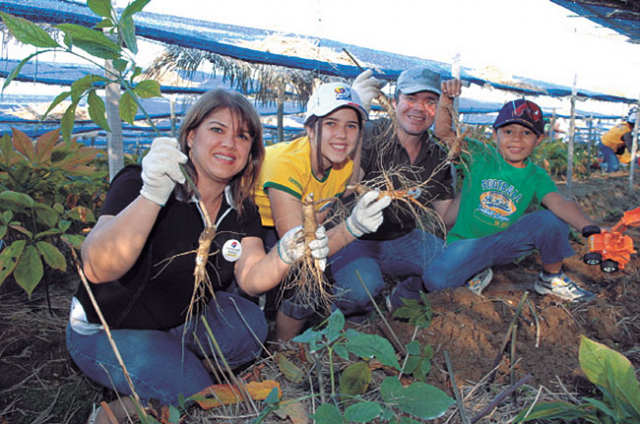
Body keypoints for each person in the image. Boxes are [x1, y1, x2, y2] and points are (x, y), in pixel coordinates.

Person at [67, 89, 330, 423]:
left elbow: (250, 278)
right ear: (191, 137)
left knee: (248, 325)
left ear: (251, 150)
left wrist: (285, 251)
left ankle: (171, 369)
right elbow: (97, 267)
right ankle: (120, 409)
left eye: (242, 136)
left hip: (177, 322)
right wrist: (152, 195)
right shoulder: (142, 181)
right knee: (195, 397)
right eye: (217, 130)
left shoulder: (240, 207)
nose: (230, 143)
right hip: (108, 330)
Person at [423, 78, 600, 302]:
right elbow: (442, 132)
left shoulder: (536, 175)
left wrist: (589, 227)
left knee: (550, 220)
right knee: (435, 281)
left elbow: (558, 202)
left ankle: (551, 278)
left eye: (526, 133)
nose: (516, 139)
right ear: (494, 134)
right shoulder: (480, 155)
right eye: (508, 131)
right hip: (465, 244)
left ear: (539, 139)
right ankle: (475, 272)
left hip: (505, 242)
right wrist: (446, 98)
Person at [254, 82, 391, 342]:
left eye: (351, 126)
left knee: (309, 280)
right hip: (249, 224)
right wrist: (352, 228)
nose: (342, 134)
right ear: (310, 129)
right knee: (301, 267)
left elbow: (343, 190)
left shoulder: (341, 166)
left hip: (284, 224)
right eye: (331, 123)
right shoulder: (287, 164)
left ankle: (283, 347)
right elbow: (301, 249)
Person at [330, 66, 455, 322]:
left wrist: (478, 179)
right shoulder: (371, 134)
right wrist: (355, 121)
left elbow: (445, 217)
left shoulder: (437, 155)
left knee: (452, 264)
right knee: (360, 289)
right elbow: (346, 184)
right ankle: (341, 318)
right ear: (395, 101)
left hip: (403, 239)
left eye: (429, 102)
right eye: (411, 99)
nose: (419, 109)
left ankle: (400, 298)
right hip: (353, 238)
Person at [598, 107, 637, 173]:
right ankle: (608, 176)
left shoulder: (622, 125)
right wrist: (634, 155)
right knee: (614, 166)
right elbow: (629, 145)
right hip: (607, 145)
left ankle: (605, 170)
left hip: (605, 143)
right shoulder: (627, 131)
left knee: (611, 161)